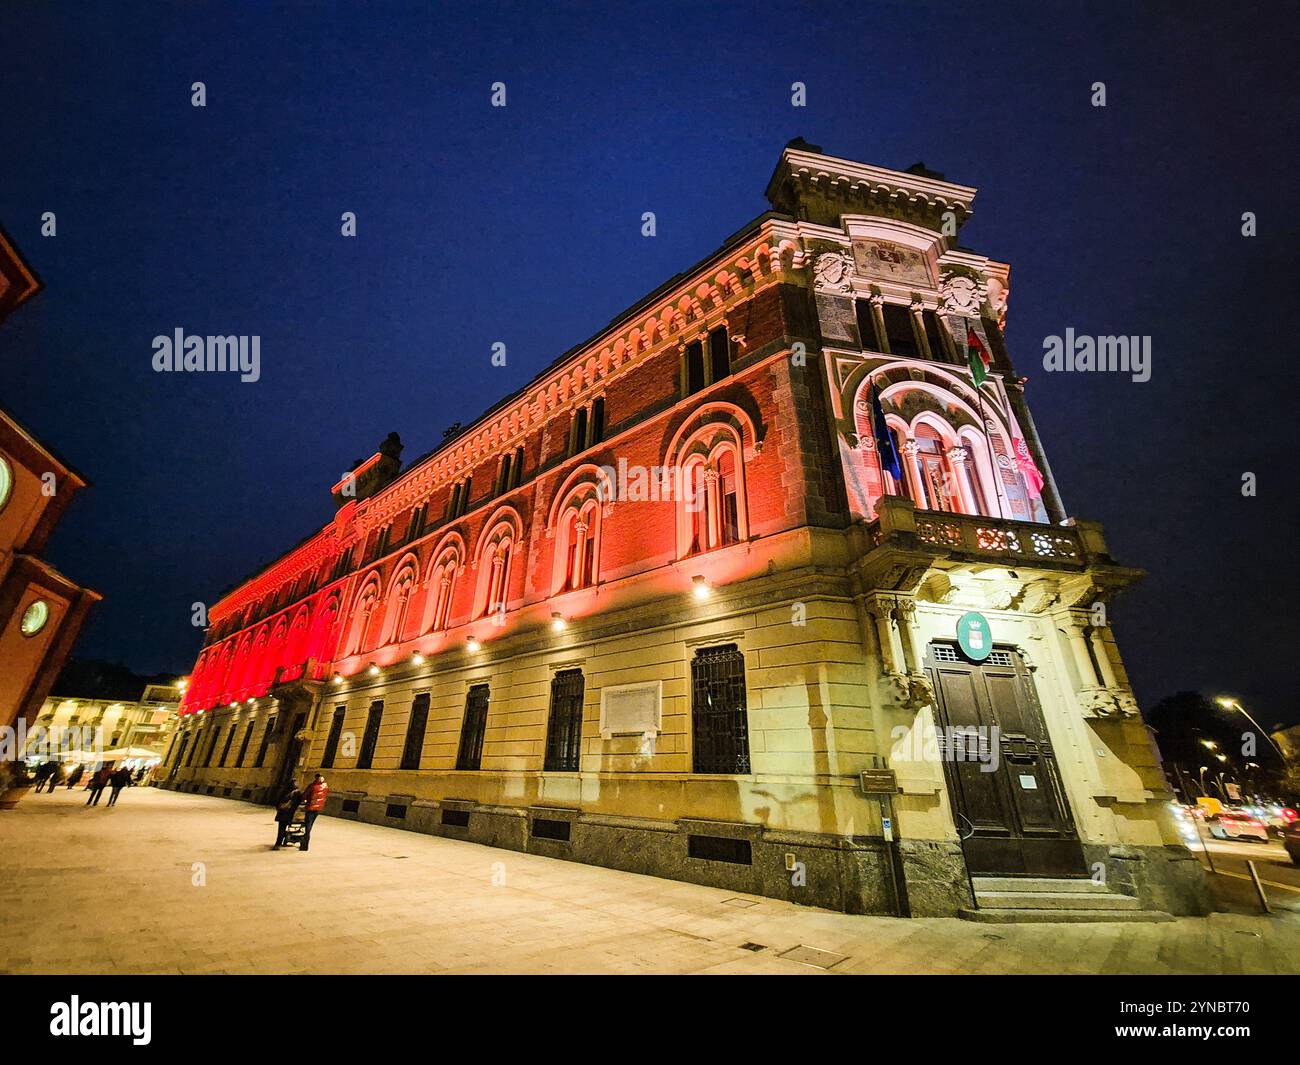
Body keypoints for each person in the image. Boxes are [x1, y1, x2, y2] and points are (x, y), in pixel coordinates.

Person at [299, 773, 329, 851]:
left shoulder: (312, 786)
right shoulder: (325, 786)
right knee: (310, 824)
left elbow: (305, 795)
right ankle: (306, 838)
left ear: (316, 778)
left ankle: (305, 841)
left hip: (310, 807)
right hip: (318, 808)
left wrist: (302, 800)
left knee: (307, 825)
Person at [272, 785, 303, 849]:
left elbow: (277, 803)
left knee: (281, 829)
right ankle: (284, 840)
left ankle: (278, 844)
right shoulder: (299, 794)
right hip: (294, 816)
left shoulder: (285, 794)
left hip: (284, 814)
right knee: (287, 828)